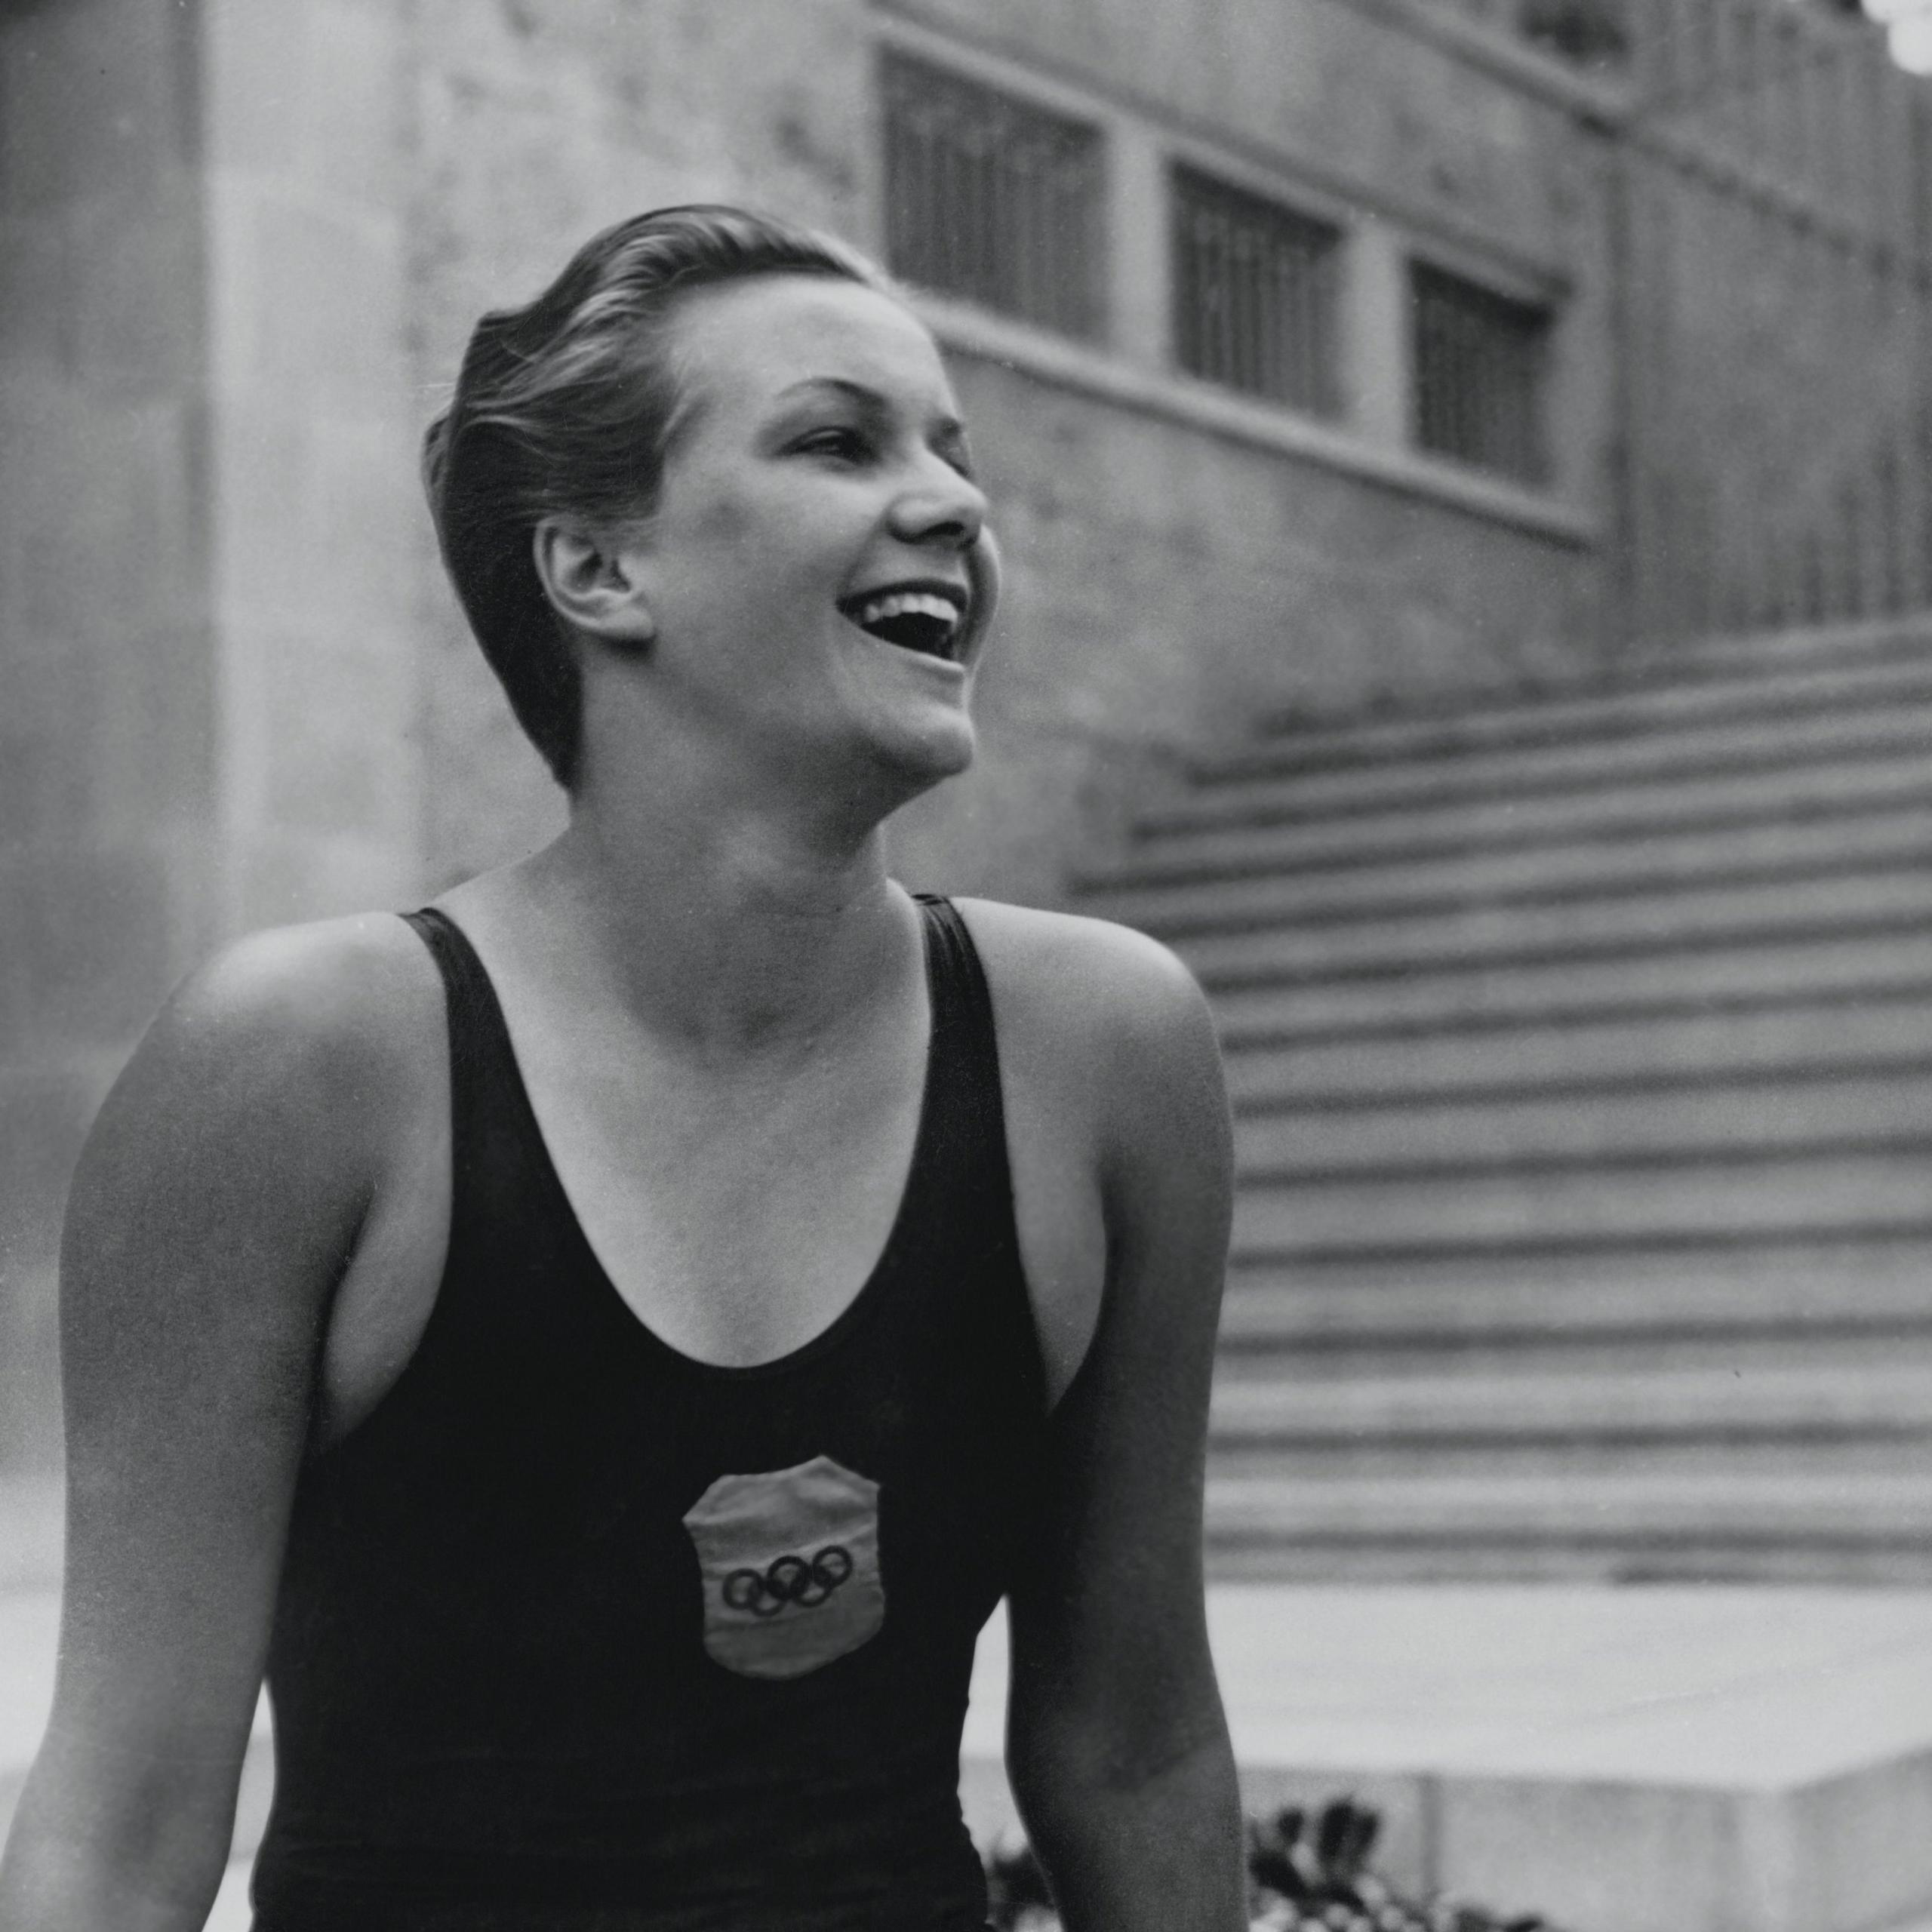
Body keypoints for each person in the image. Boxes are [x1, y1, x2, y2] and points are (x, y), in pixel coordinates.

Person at [0, 206, 1244, 1932]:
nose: (955, 505)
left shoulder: (1102, 1050)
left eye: (954, 455)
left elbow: (1132, 1744)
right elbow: (123, 1820)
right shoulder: (298, 1069)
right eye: (836, 439)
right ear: (596, 568)